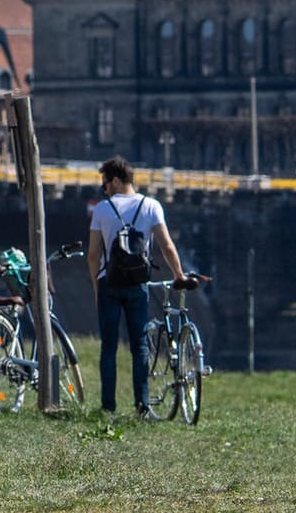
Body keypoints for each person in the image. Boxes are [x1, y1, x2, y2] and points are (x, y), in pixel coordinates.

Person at [86, 156, 195, 416]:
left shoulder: (102, 209)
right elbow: (166, 246)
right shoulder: (151, 206)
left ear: (114, 181)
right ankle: (142, 405)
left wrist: (95, 286)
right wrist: (178, 274)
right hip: (138, 284)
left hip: (109, 283)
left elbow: (93, 254)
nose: (104, 189)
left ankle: (108, 407)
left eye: (105, 183)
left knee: (108, 348)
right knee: (140, 347)